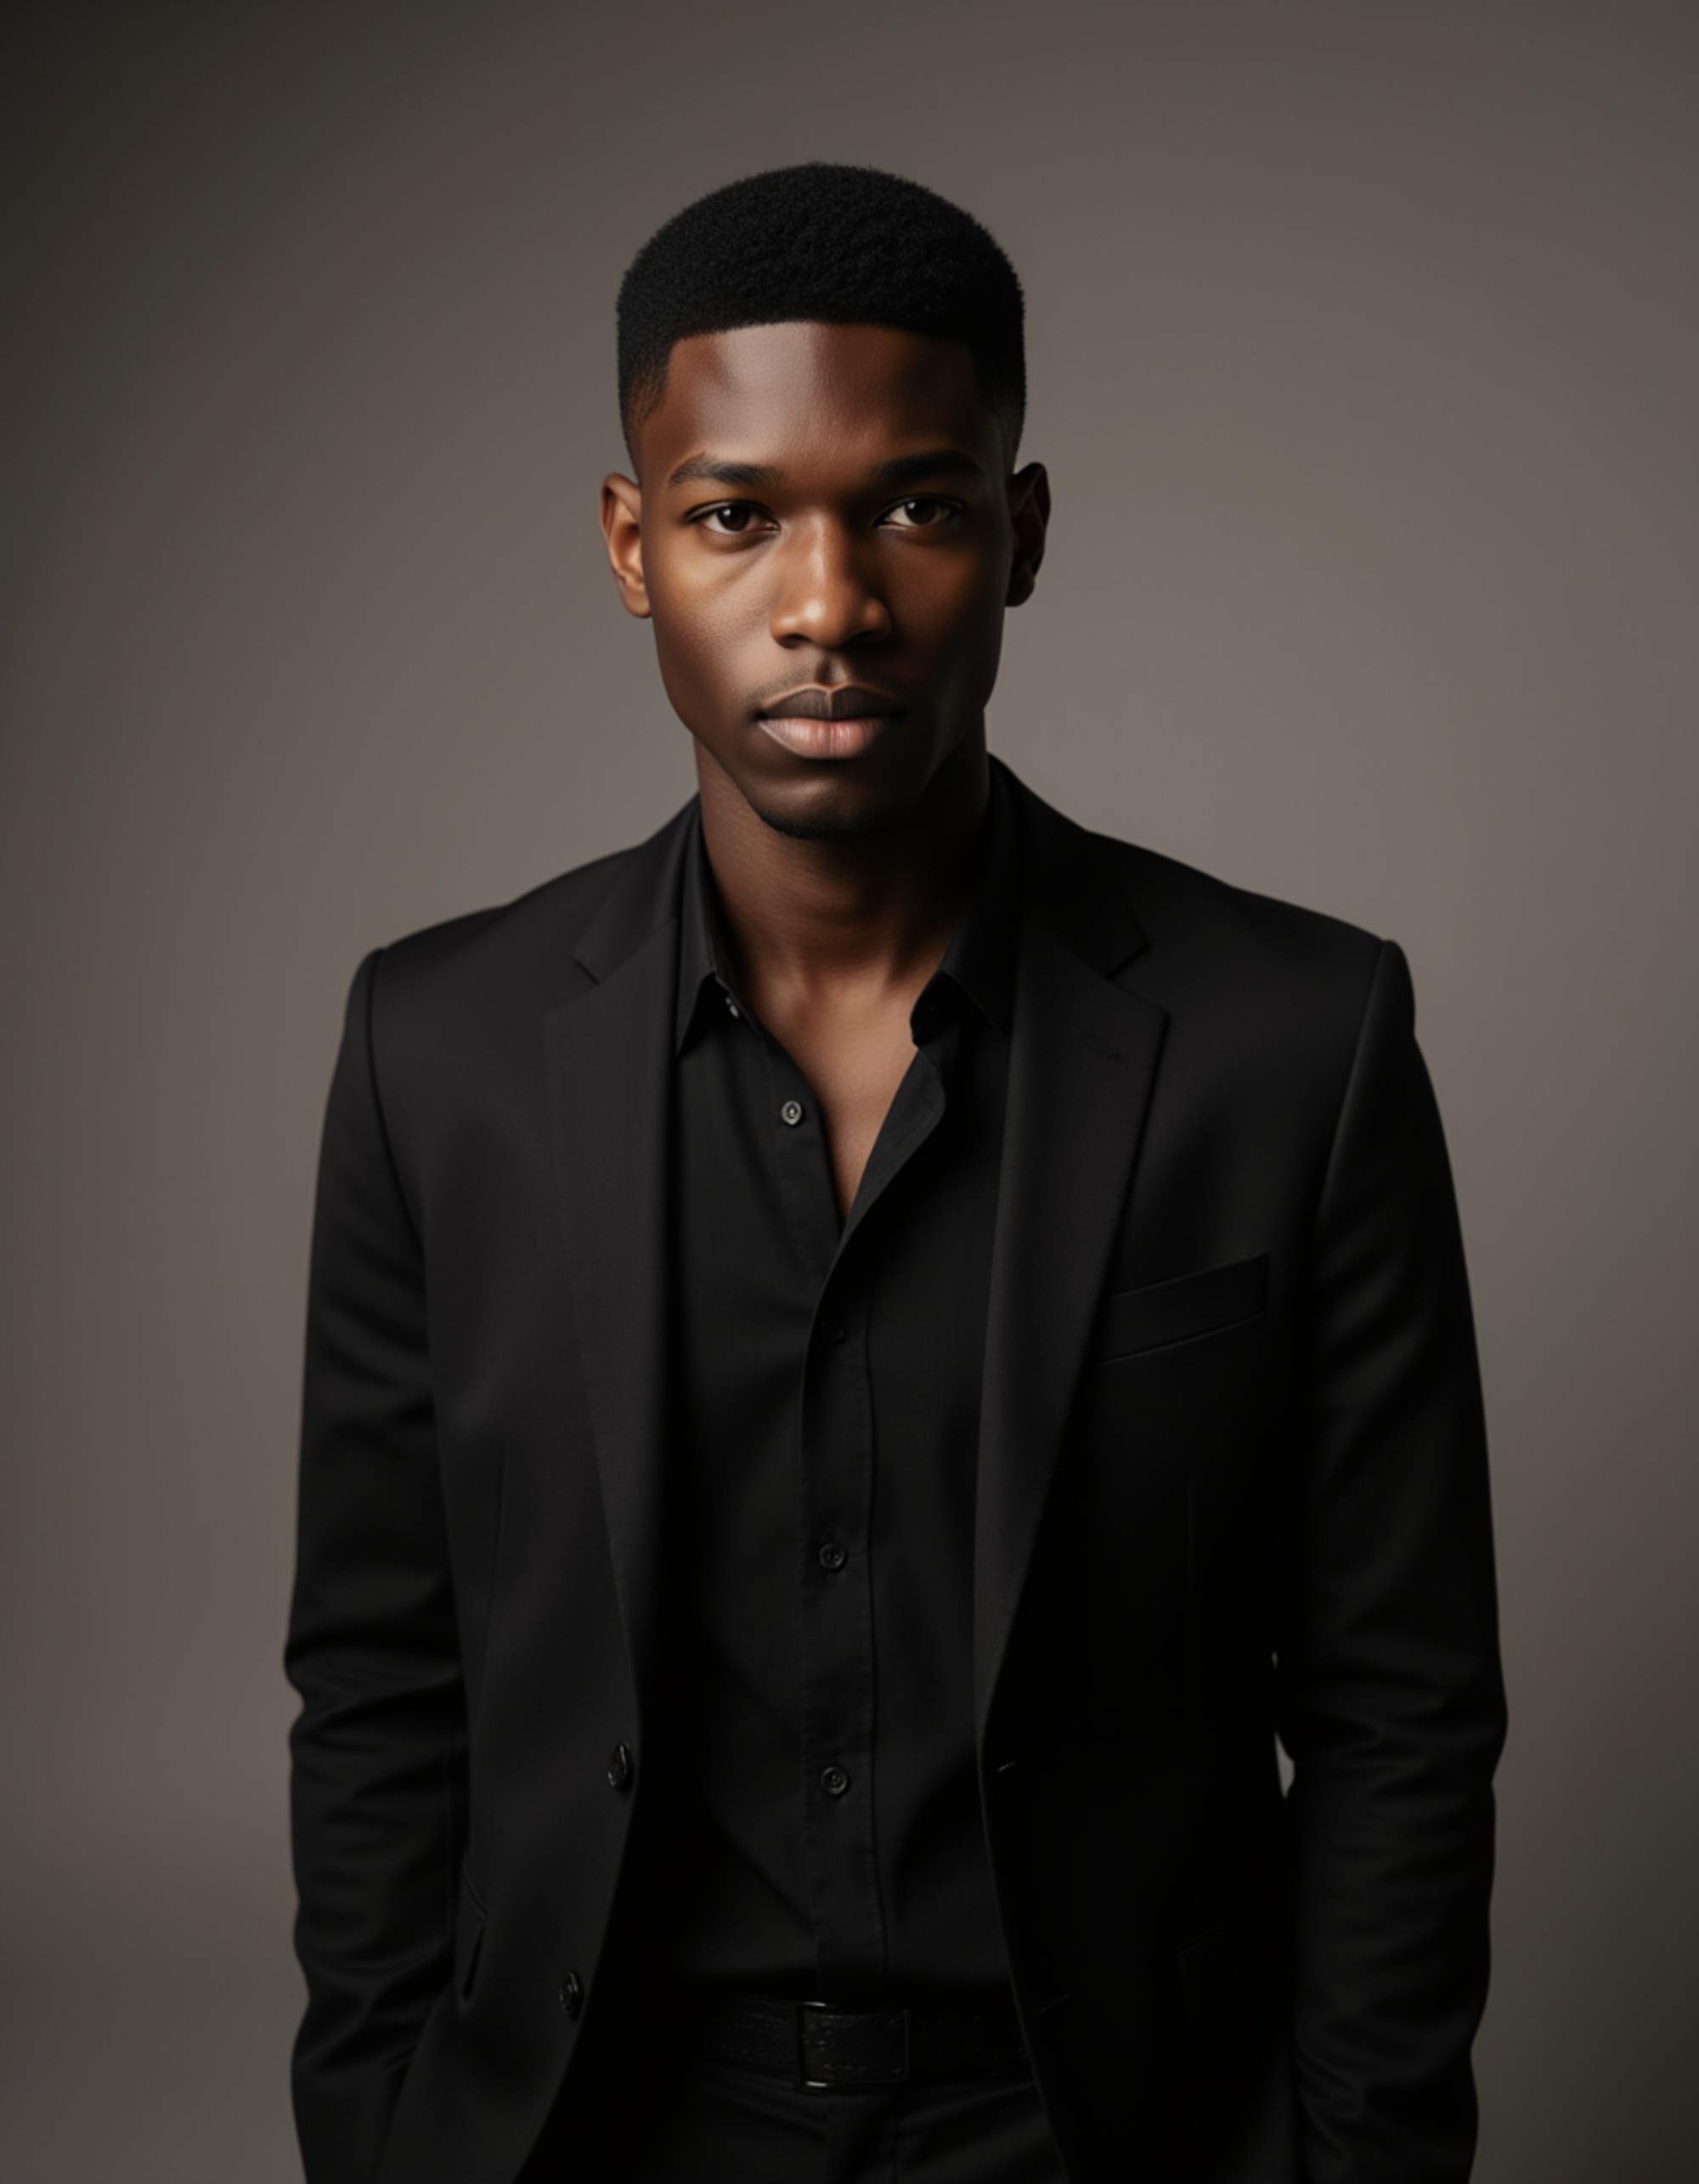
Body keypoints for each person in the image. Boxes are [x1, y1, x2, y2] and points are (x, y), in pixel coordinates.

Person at [285, 164, 1506, 2184]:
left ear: (1020, 536)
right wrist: (388, 2136)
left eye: (917, 506)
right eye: (735, 513)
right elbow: (381, 1677)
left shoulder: (1300, 1040)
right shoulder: (437, 1053)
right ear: (629, 543)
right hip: (596, 2128)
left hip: (1112, 2131)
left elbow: (1401, 1704)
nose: (828, 603)